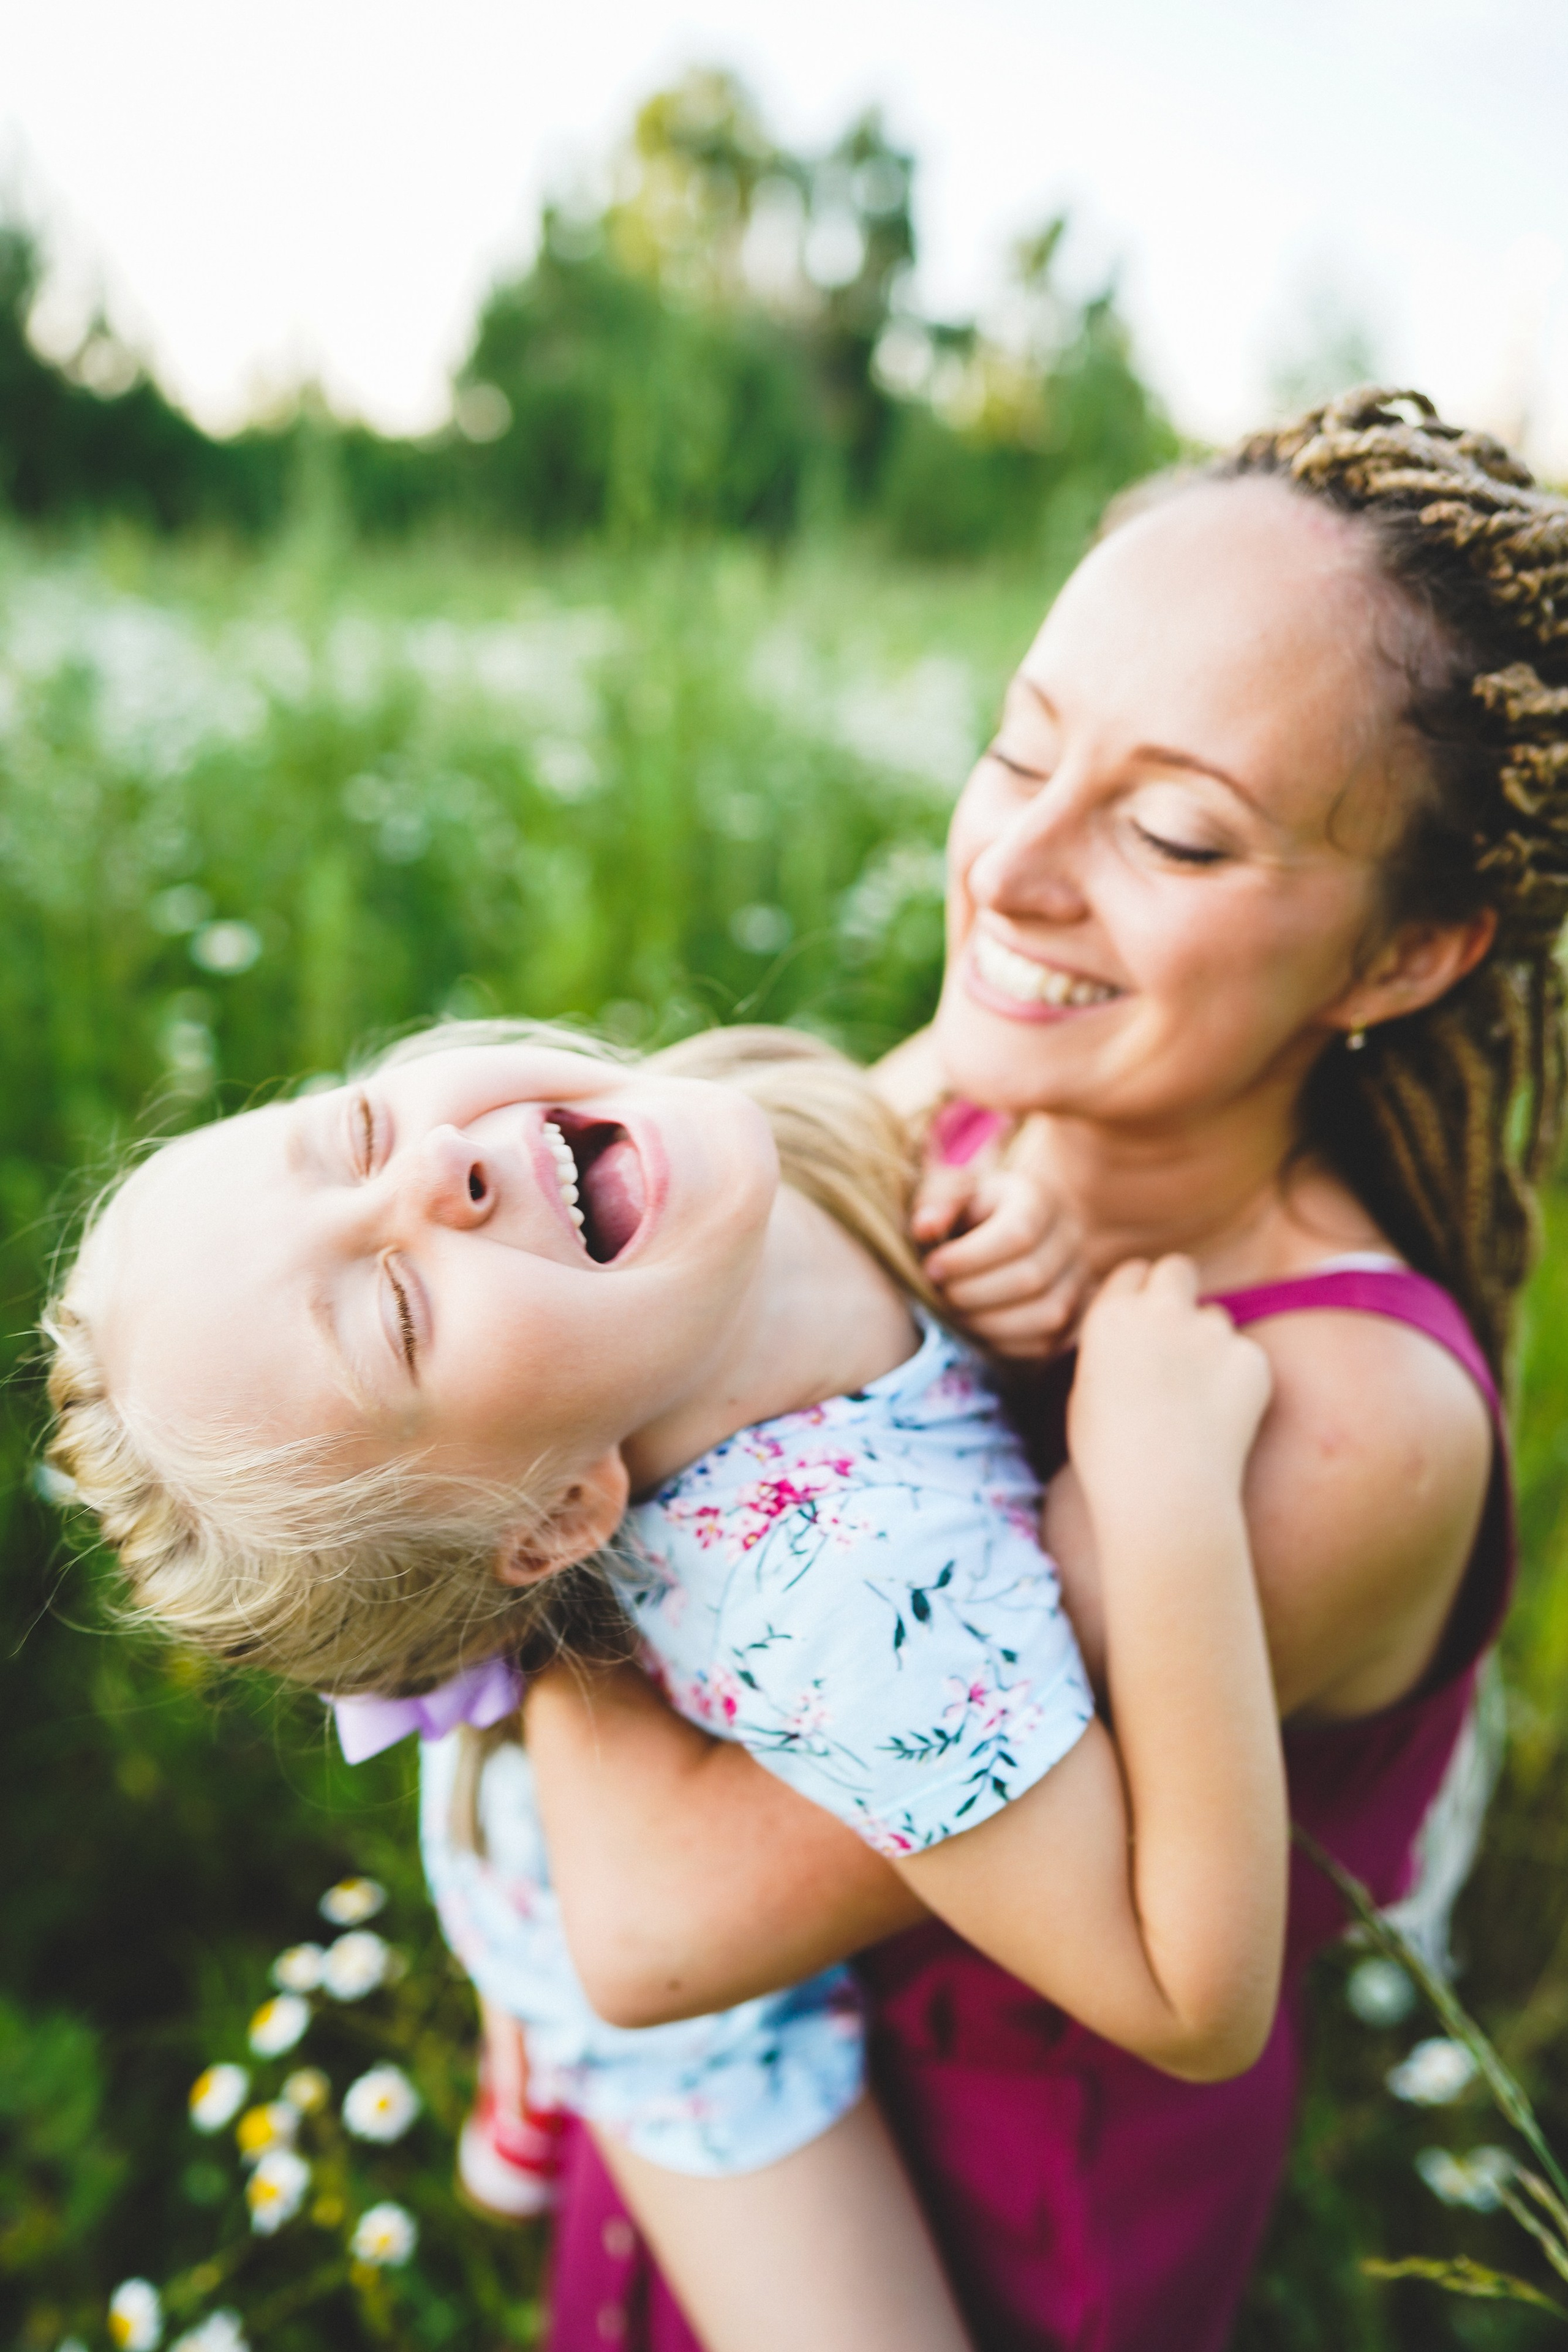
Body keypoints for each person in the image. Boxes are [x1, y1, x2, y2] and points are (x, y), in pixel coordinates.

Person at [522, 390, 1568, 2350]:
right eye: (1020, 746)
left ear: (1405, 955)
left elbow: (656, 1919)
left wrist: (510, 1512)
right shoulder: (974, 1098)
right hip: (719, 2145)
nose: (1009, 868)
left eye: (1176, 831)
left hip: (982, 2229)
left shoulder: (1341, 1424)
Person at [43, 1021, 1284, 2352]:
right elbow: (1187, 2003)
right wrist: (1165, 1491)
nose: (438, 1170)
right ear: (560, 1512)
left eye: (357, 1131)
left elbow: (954, 1063)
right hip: (648, 1990)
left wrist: (1005, 1229)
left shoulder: (679, 1161)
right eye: (400, 1315)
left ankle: (515, 2103)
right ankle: (538, 2067)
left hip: (545, 1796)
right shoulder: (850, 1600)